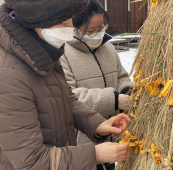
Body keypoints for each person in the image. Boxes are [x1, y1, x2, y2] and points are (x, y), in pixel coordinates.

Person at [0, 1, 130, 170]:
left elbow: (65, 98)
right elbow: (31, 161)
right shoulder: (8, 74)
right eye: (63, 23)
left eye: (71, 20)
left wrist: (96, 124)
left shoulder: (43, 51)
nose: (70, 30)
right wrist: (94, 154)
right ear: (38, 22)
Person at [60, 0, 132, 169]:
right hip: (84, 144)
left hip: (114, 138)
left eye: (101, 28)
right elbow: (69, 95)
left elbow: (121, 76)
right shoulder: (63, 53)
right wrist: (114, 100)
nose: (98, 34)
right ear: (74, 28)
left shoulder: (108, 48)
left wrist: (127, 91)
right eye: (91, 31)